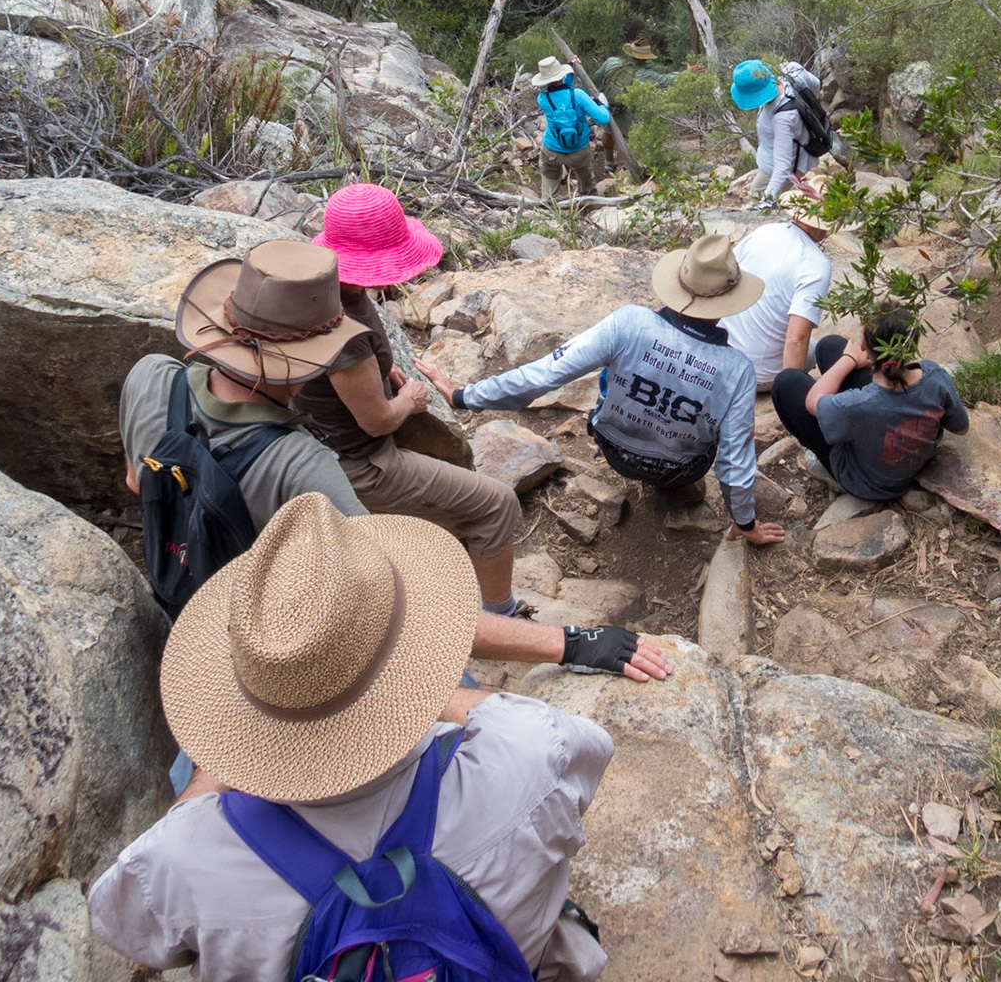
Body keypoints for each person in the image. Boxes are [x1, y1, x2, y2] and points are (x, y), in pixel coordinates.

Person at [89, 494, 615, 981]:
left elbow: (120, 922)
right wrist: (422, 692)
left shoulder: (180, 860)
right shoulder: (531, 750)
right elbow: (588, 755)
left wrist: (220, 761)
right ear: (414, 654)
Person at [123, 238, 672, 686]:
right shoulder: (301, 465)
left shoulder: (153, 378)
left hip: (187, 596)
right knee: (488, 529)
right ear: (309, 359)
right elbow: (389, 606)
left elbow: (135, 480)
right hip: (278, 643)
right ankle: (499, 612)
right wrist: (569, 642)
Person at [418, 233, 787, 546]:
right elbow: (735, 460)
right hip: (680, 469)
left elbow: (546, 373)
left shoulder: (629, 323)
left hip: (615, 451)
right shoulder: (737, 370)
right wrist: (745, 523)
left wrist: (464, 396)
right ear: (728, 299)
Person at [291, 183, 528, 618]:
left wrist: (378, 372)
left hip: (318, 443)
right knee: (497, 504)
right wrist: (410, 398)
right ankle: (501, 616)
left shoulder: (318, 292)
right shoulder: (343, 332)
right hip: (361, 464)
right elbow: (378, 422)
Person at [771, 309, 970, 500]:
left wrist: (849, 359)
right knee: (829, 346)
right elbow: (961, 428)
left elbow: (812, 402)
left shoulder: (857, 404)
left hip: (869, 483)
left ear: (865, 348)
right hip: (912, 463)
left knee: (786, 382)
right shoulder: (934, 375)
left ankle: (833, 476)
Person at [722, 178, 833, 390]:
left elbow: (726, 277)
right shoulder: (816, 265)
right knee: (812, 348)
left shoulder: (765, 231)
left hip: (722, 353)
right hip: (755, 374)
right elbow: (796, 339)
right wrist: (791, 392)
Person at [731, 57, 822, 201]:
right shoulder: (790, 70)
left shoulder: (782, 118)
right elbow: (815, 83)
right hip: (783, 154)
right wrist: (811, 105)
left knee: (757, 197)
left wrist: (765, 202)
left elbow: (783, 167)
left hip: (783, 165)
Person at [531, 54, 611, 200]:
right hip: (579, 151)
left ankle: (547, 205)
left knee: (549, 178)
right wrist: (601, 104)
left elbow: (561, 95)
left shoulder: (543, 98)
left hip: (551, 151)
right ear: (561, 75)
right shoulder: (578, 95)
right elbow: (603, 118)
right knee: (585, 180)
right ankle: (587, 202)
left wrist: (569, 69)